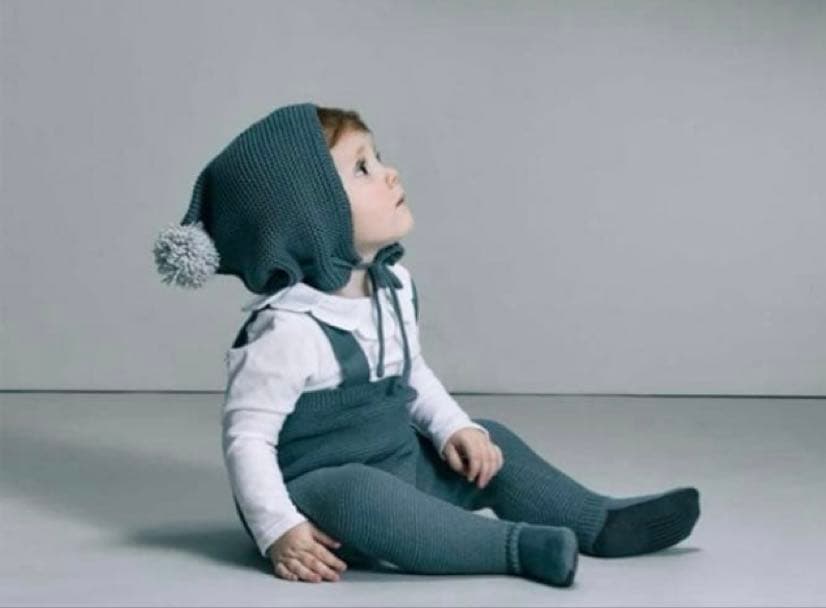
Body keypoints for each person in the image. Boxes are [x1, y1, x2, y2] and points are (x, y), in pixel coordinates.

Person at [152, 102, 700, 587]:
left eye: (378, 157)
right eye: (362, 168)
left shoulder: (393, 287)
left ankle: (595, 520)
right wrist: (278, 529)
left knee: (490, 439)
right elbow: (248, 440)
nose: (389, 173)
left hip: (399, 463)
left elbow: (411, 374)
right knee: (360, 491)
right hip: (321, 506)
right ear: (312, 217)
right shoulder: (288, 330)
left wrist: (455, 428)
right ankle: (514, 548)